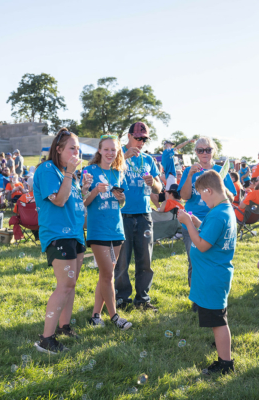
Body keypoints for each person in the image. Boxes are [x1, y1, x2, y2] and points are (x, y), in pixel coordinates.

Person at [33, 128, 91, 354]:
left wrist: (83, 190)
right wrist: (69, 173)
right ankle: (47, 338)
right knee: (65, 284)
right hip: (59, 235)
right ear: (58, 150)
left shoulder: (69, 175)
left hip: (75, 235)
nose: (77, 152)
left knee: (71, 284)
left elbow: (74, 206)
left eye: (78, 148)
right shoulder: (48, 169)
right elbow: (58, 201)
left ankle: (64, 326)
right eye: (72, 148)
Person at [177, 170, 237, 375]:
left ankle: (225, 363)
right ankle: (224, 358)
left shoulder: (218, 214)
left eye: (201, 195)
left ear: (208, 190)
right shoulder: (223, 210)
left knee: (218, 322)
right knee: (217, 319)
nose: (201, 199)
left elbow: (202, 245)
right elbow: (212, 235)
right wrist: (197, 223)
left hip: (212, 277)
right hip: (213, 275)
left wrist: (186, 223)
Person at [83, 134, 132, 330]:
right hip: (98, 230)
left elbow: (123, 203)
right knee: (108, 274)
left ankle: (96, 315)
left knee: (106, 274)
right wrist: (95, 190)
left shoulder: (119, 173)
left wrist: (119, 196)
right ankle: (114, 316)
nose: (110, 153)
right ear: (100, 151)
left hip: (116, 230)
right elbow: (83, 201)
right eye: (107, 149)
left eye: (114, 149)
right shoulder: (89, 171)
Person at [178, 137, 236, 294]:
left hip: (215, 222)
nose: (204, 153)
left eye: (208, 149)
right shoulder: (189, 171)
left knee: (213, 259)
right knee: (194, 260)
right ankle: (196, 296)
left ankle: (211, 293)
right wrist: (189, 176)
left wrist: (221, 185)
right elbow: (185, 196)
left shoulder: (220, 171)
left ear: (213, 151)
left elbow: (231, 197)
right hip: (191, 220)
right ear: (195, 152)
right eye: (200, 150)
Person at [115, 122, 163, 312]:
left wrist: (153, 184)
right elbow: (107, 173)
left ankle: (142, 299)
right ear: (128, 136)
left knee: (145, 260)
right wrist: (123, 158)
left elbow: (159, 189)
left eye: (144, 139)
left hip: (144, 214)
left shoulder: (148, 159)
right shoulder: (117, 154)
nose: (141, 142)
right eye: (138, 138)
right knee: (122, 261)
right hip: (122, 213)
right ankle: (122, 298)